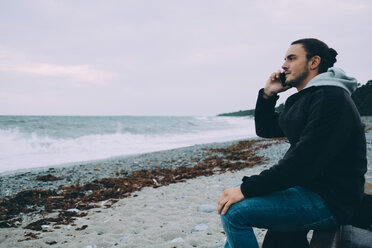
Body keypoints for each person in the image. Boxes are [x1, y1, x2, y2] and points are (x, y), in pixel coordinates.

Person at [217, 38, 367, 248]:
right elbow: (266, 129)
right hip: (311, 188)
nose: (284, 65)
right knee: (232, 198)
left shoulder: (331, 98)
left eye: (291, 58)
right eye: (284, 59)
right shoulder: (310, 97)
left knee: (234, 212)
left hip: (331, 200)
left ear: (314, 62)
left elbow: (303, 162)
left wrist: (248, 188)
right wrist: (268, 95)